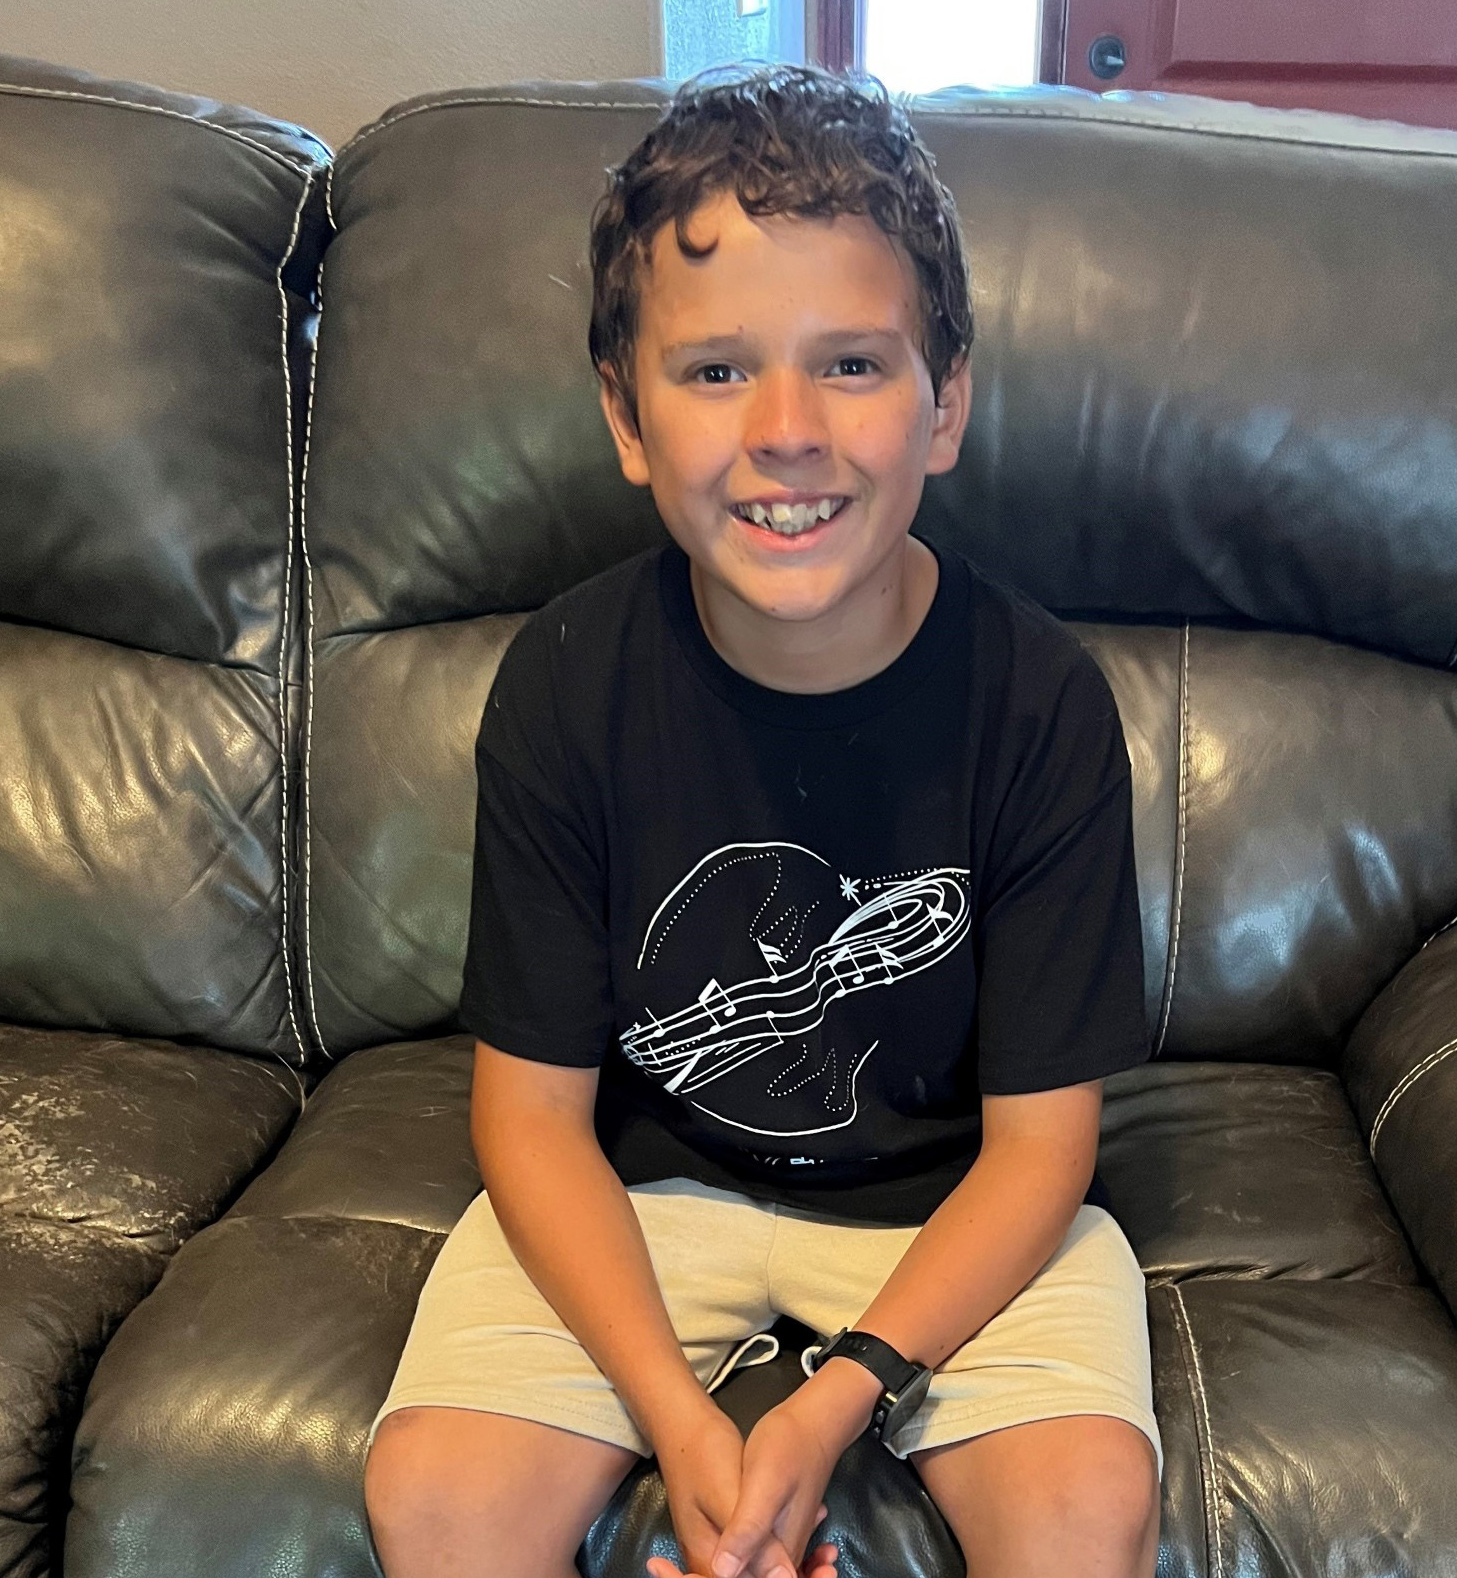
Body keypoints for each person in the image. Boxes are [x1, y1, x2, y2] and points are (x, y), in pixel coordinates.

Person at [362, 62, 1163, 1578]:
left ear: (947, 408)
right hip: (644, 1190)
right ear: (626, 416)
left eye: (853, 365)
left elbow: (1042, 1147)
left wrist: (836, 1397)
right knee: (436, 1497)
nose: (787, 430)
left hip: (956, 1209)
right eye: (717, 370)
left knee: (1082, 1515)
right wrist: (685, 1421)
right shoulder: (561, 681)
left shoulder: (1042, 702)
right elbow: (528, 1117)